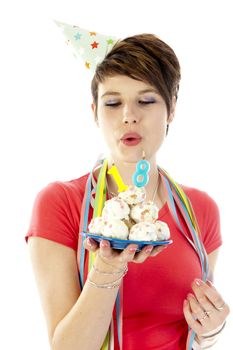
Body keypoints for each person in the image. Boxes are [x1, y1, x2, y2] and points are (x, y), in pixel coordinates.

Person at [25, 28, 230, 350]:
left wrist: (211, 330)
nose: (129, 116)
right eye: (112, 103)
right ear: (95, 113)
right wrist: (108, 266)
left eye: (146, 100)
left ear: (171, 109)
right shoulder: (60, 203)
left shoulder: (201, 209)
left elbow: (193, 332)